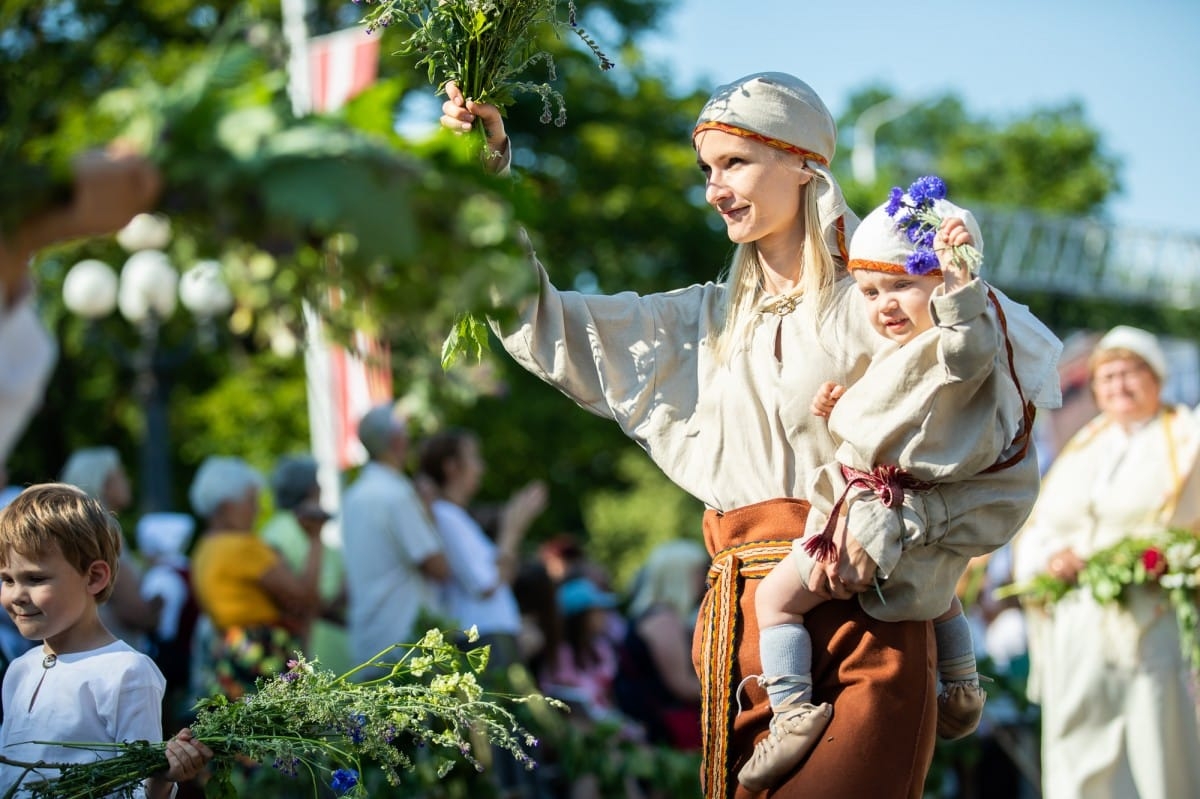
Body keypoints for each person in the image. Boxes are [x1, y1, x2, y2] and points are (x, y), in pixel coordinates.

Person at [442, 71, 1060, 797]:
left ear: (805, 163)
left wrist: (909, 522)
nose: (714, 188)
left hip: (867, 609)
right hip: (747, 632)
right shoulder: (702, 319)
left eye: (734, 162)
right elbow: (547, 324)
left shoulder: (884, 298)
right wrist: (482, 181)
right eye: (707, 169)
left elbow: (985, 401)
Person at [739, 196, 1058, 788]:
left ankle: (789, 713)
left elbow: (964, 352)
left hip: (881, 512)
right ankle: (963, 686)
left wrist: (960, 286)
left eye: (901, 287)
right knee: (941, 595)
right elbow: (897, 424)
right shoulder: (914, 352)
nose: (883, 305)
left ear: (944, 283)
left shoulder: (961, 339)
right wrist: (842, 410)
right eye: (868, 292)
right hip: (920, 513)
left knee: (776, 601)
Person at [1012, 325, 1200, 799]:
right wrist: (1051, 560)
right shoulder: (1084, 447)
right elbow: (1041, 528)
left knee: (1157, 747)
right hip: (1078, 627)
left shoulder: (1186, 437)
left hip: (1149, 622)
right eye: (1107, 377)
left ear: (1156, 378)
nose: (1118, 386)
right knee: (1077, 748)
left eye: (1129, 374)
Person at [0, 483, 211, 798]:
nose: (16, 595)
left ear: (94, 577)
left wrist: (164, 777)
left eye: (36, 578)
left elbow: (138, 788)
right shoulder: (19, 670)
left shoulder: (126, 672)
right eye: (6, 579)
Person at [187, 456, 322, 701]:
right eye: (251, 501)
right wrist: (315, 539)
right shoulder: (242, 547)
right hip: (262, 658)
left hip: (229, 659)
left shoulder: (205, 547)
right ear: (228, 506)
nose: (258, 509)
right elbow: (305, 597)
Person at [416, 428, 547, 671]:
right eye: (474, 458)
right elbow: (486, 584)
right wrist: (512, 531)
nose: (481, 467)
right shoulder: (446, 516)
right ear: (452, 466)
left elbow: (502, 577)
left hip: (493, 638)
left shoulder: (456, 517)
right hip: (484, 642)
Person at [340, 404, 449, 675]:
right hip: (406, 642)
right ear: (397, 440)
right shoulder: (397, 494)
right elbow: (438, 567)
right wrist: (429, 514)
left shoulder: (353, 496)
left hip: (368, 637)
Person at [60, 447, 163, 654]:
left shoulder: (74, 532)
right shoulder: (104, 533)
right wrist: (165, 595)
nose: (128, 481)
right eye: (121, 475)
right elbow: (135, 611)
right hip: (111, 653)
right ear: (105, 484)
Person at [259, 454, 351, 675]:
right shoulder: (284, 532)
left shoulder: (284, 529)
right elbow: (307, 598)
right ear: (311, 489)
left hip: (325, 649)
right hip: (310, 653)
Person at [615, 539, 709, 751]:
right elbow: (682, 686)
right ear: (680, 576)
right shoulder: (663, 621)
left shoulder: (652, 614)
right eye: (699, 571)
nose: (704, 578)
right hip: (664, 734)